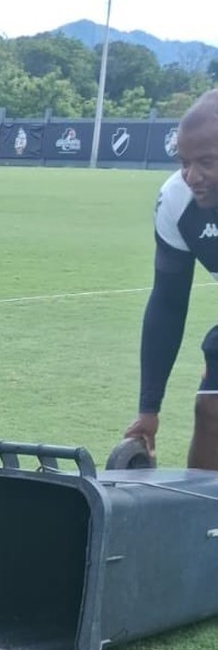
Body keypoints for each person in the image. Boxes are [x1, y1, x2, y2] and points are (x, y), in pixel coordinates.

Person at [124, 88, 218, 469]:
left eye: (207, 162)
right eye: (183, 162)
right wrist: (149, 409)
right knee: (211, 409)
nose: (192, 176)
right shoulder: (176, 201)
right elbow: (168, 301)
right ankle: (203, 525)